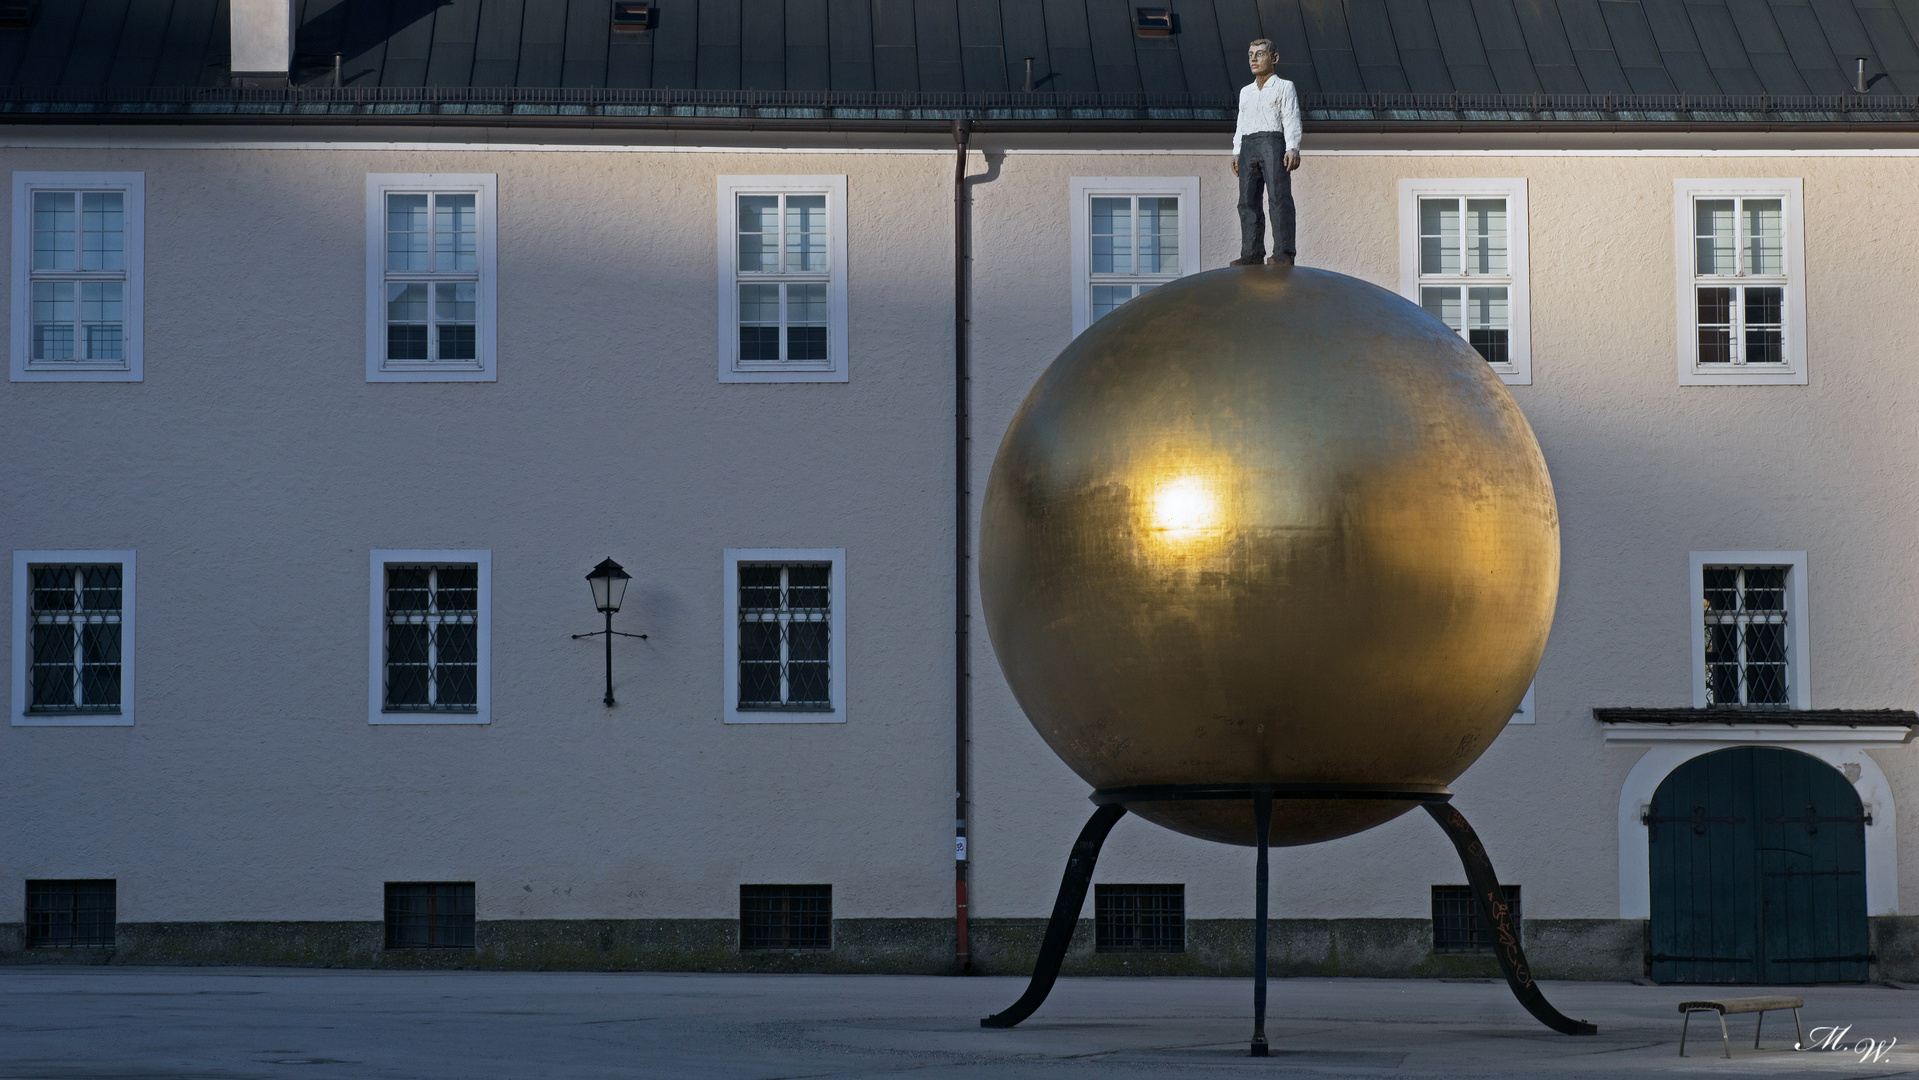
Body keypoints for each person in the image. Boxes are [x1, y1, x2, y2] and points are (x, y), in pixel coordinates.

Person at [1231, 39, 1302, 266]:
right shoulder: (1246, 92)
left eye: (1260, 54)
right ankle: (1251, 252)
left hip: (1273, 141)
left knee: (1278, 197)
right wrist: (1236, 151)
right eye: (1250, 54)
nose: (1253, 59)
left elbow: (1290, 117)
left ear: (1274, 58)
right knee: (1247, 200)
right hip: (1248, 144)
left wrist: (1293, 146)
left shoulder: (1284, 87)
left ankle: (1283, 251)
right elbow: (1241, 123)